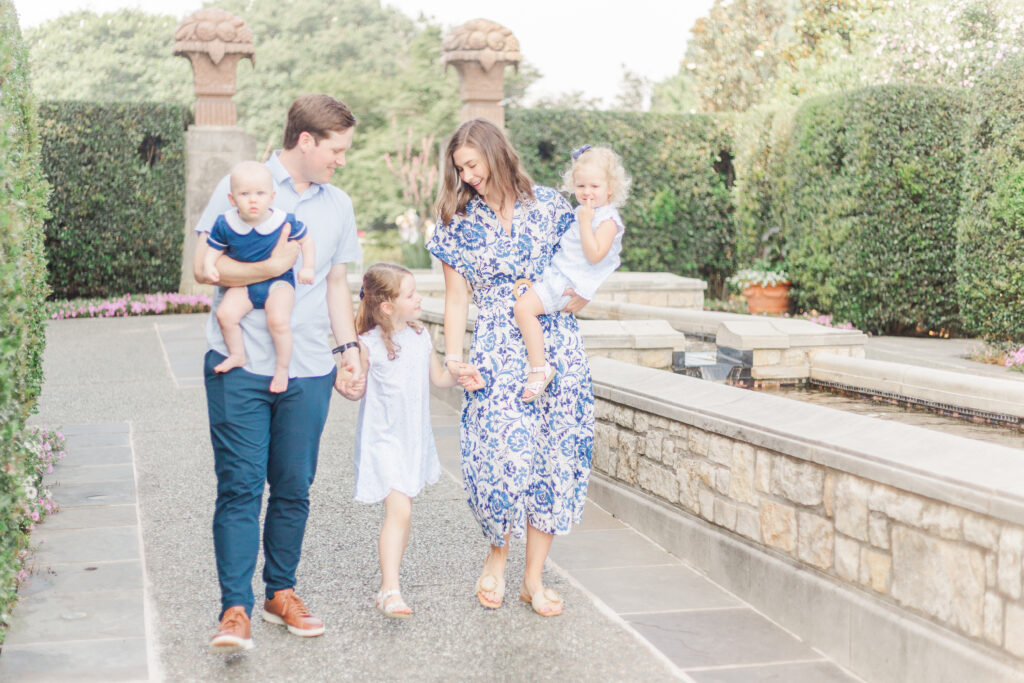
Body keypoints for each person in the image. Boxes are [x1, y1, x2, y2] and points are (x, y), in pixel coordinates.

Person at [193, 94, 363, 653]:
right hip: (239, 367)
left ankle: (280, 593)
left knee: (293, 486)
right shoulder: (244, 184)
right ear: (306, 141)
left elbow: (335, 283)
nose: (342, 160)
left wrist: (348, 348)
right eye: (337, 149)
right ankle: (234, 609)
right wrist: (271, 266)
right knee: (240, 487)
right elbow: (205, 268)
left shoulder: (338, 204)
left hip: (309, 368)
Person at [426, 118, 595, 618]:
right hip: (496, 350)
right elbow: (457, 299)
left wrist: (579, 296)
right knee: (498, 454)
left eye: (472, 165)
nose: (467, 176)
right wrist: (454, 357)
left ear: (495, 153)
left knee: (553, 458)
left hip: (555, 345)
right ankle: (496, 555)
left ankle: (533, 579)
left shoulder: (551, 207)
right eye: (460, 169)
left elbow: (585, 262)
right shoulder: (458, 221)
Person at [335, 263, 482, 619]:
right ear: (387, 306)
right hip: (383, 440)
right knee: (399, 511)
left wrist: (460, 374)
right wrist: (348, 383)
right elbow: (354, 383)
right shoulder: (367, 345)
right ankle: (390, 590)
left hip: (413, 439)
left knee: (403, 513)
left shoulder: (420, 337)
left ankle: (390, 584)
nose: (419, 299)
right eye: (411, 295)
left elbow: (439, 379)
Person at [512, 145, 629, 402]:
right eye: (581, 186)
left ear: (610, 187)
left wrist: (586, 223)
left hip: (566, 283)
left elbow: (595, 254)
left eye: (594, 186)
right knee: (525, 309)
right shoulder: (583, 212)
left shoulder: (608, 221)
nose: (587, 192)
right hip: (559, 275)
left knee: (523, 310)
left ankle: (539, 369)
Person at [203, 161, 316, 393]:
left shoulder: (283, 220)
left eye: (260, 194)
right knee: (225, 314)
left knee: (278, 320)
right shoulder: (225, 223)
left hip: (279, 282)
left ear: (272, 197)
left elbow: (307, 241)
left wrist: (308, 267)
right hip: (245, 283)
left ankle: (282, 368)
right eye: (244, 194)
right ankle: (237, 354)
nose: (253, 200)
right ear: (232, 199)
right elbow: (213, 249)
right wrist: (208, 265)